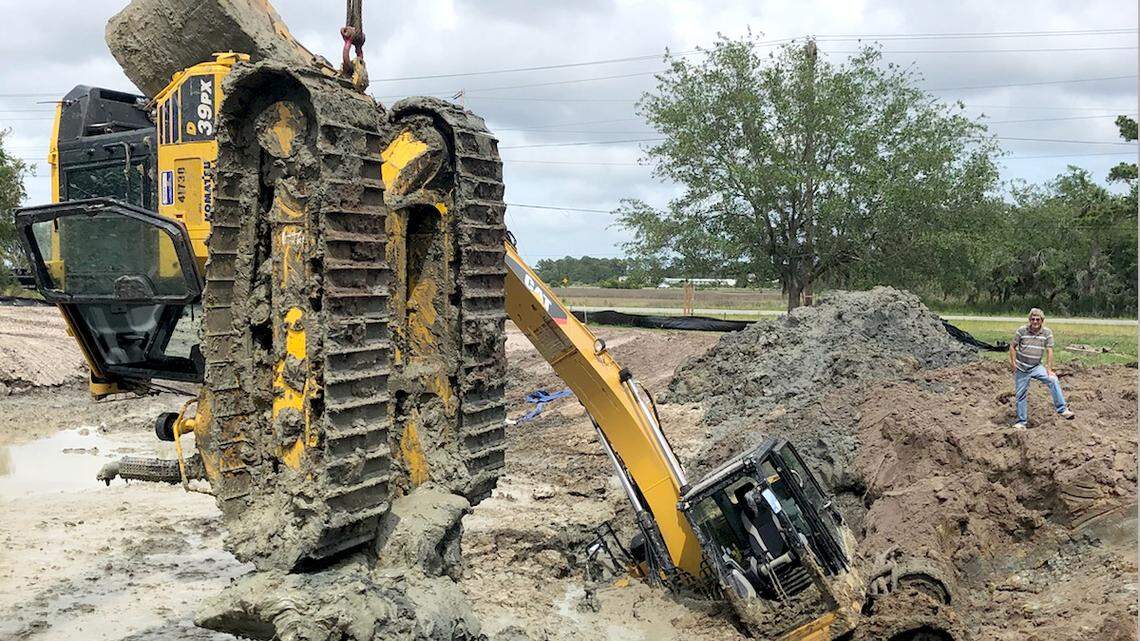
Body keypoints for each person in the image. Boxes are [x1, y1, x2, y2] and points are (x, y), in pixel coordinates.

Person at [1008, 308, 1074, 428]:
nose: (1035, 322)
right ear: (1029, 320)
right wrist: (1013, 363)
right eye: (1032, 319)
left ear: (1042, 320)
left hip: (1036, 366)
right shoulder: (1022, 331)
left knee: (1053, 380)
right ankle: (1022, 422)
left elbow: (1049, 350)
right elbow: (1012, 346)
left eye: (1037, 319)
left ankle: (1062, 409)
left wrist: (1049, 369)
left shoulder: (1047, 333)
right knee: (1020, 394)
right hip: (1022, 368)